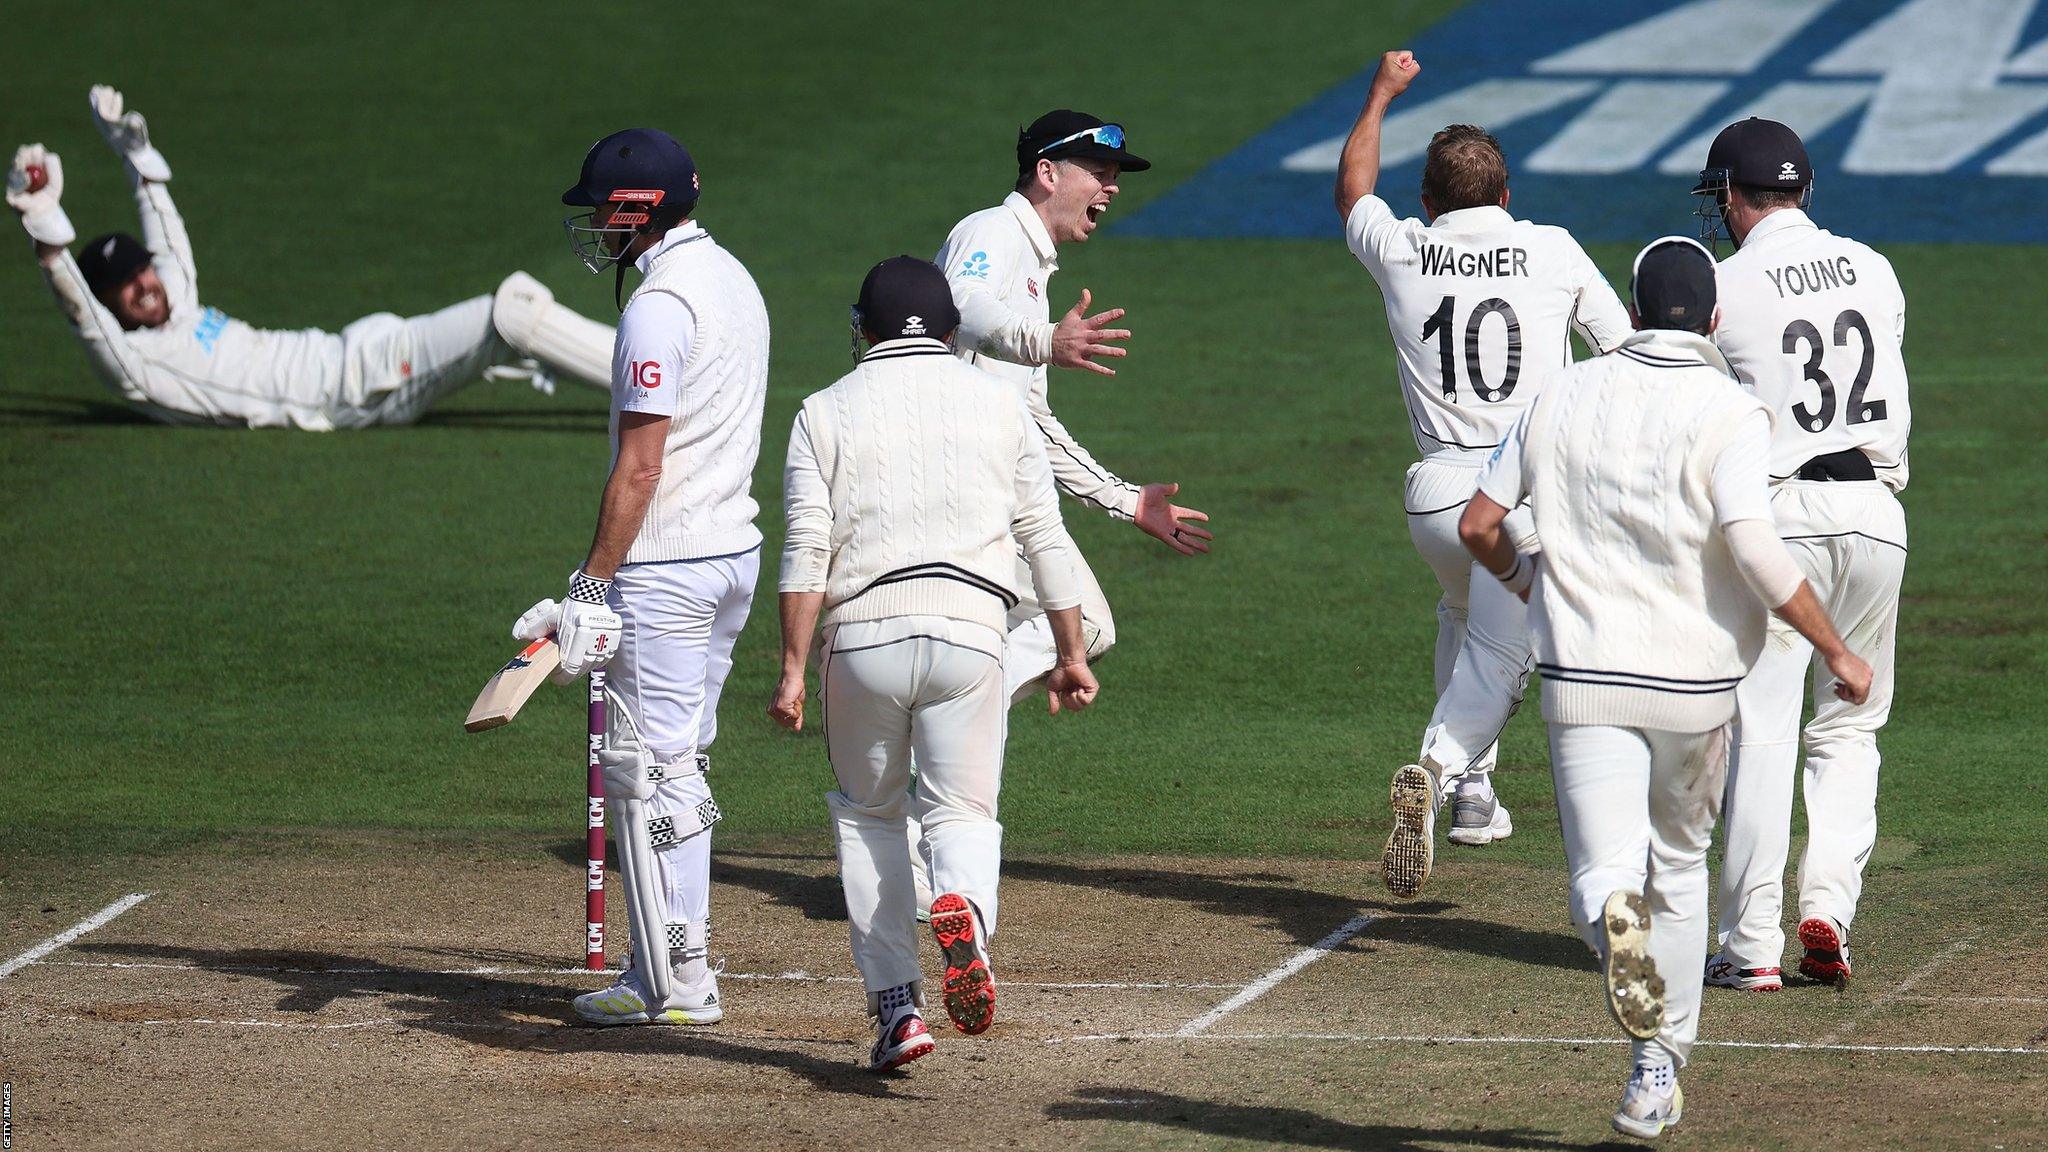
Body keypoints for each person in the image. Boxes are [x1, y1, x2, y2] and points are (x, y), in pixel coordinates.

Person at [1460, 236, 1873, 1138]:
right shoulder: (1729, 407)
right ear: (1715, 319)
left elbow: (1481, 523)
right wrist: (1835, 648)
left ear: (1635, 311)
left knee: (1605, 873)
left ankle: (1613, 918)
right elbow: (1757, 548)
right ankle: (1656, 1071)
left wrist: (1530, 585)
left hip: (1582, 676)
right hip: (1694, 686)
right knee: (1681, 871)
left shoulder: (1559, 392)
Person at [769, 256, 1099, 1071]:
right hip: (970, 634)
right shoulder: (999, 404)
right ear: (951, 332)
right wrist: (1069, 650)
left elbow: (808, 548)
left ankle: (896, 1012)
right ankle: (967, 921)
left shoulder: (822, 411)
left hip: (865, 639)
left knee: (870, 818)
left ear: (866, 330)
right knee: (960, 812)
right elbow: (1044, 539)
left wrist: (788, 670)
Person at [1332, 50, 1632, 896]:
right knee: (1509, 654)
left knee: (1462, 616)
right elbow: (1622, 351)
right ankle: (1442, 771)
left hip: (1434, 500)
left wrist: (1380, 94)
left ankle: (1474, 798)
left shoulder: (1403, 248)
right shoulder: (1554, 249)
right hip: (1526, 500)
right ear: (1507, 198)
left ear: (1427, 203)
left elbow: (1353, 192)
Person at [907, 109, 1209, 912]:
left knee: (1079, 632)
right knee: (1065, 634)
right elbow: (956, 297)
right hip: (959, 503)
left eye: (1114, 177)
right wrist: (1042, 340)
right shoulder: (992, 234)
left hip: (1002, 498)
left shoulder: (1034, 266)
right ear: (1047, 172)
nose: (1110, 189)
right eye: (1097, 173)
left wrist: (1123, 499)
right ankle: (929, 823)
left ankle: (932, 807)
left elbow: (1032, 421)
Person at [511, 127, 770, 1027]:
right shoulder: (733, 278)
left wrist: (589, 584)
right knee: (680, 767)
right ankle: (668, 961)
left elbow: (641, 467)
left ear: (636, 209)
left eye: (599, 210)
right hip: (730, 554)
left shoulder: (659, 307)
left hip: (666, 571)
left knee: (650, 775)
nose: (593, 225)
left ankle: (678, 979)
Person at [4, 88, 613, 430]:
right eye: (123, 286)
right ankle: (663, 386)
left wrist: (134, 157)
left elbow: (168, 238)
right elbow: (83, 317)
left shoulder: (178, 308)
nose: (143, 284)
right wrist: (43, 229)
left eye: (140, 270)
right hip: (346, 390)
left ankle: (657, 377)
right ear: (109, 302)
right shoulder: (137, 363)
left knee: (508, 330)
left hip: (353, 352)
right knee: (512, 309)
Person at [1693, 118, 1913, 992]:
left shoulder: (1724, 282)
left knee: (1763, 732)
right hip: (1877, 514)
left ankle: (1751, 947)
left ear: (1737, 198)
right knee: (1852, 725)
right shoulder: (1875, 266)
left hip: (1785, 519)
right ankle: (1828, 908)